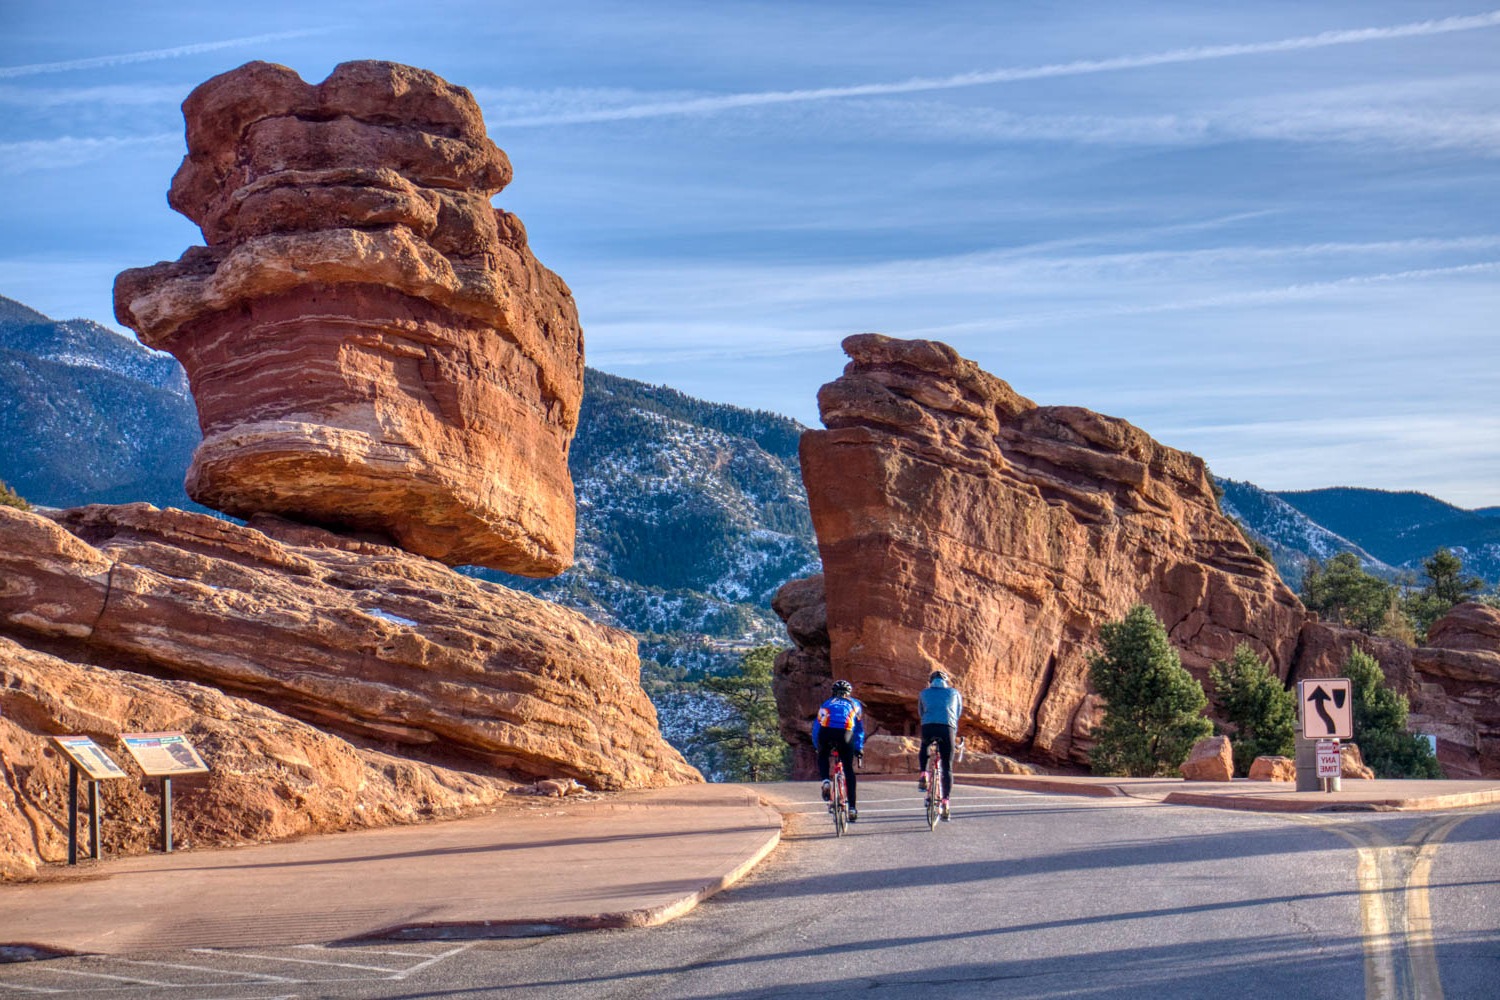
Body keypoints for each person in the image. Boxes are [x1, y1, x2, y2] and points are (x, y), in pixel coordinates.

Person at [812, 679, 865, 822]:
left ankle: (825, 781)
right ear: (849, 693)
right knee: (848, 770)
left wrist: (818, 747)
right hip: (845, 734)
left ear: (833, 693)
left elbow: (816, 727)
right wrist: (859, 748)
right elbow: (859, 729)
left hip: (826, 733)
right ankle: (852, 809)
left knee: (823, 757)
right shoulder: (855, 704)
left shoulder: (827, 703)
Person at [917, 669, 963, 821]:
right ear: (946, 682)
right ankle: (945, 803)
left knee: (925, 745)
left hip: (928, 726)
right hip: (947, 728)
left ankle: (923, 773)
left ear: (931, 682)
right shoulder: (954, 693)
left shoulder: (924, 693)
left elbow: (921, 712)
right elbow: (957, 713)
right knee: (947, 767)